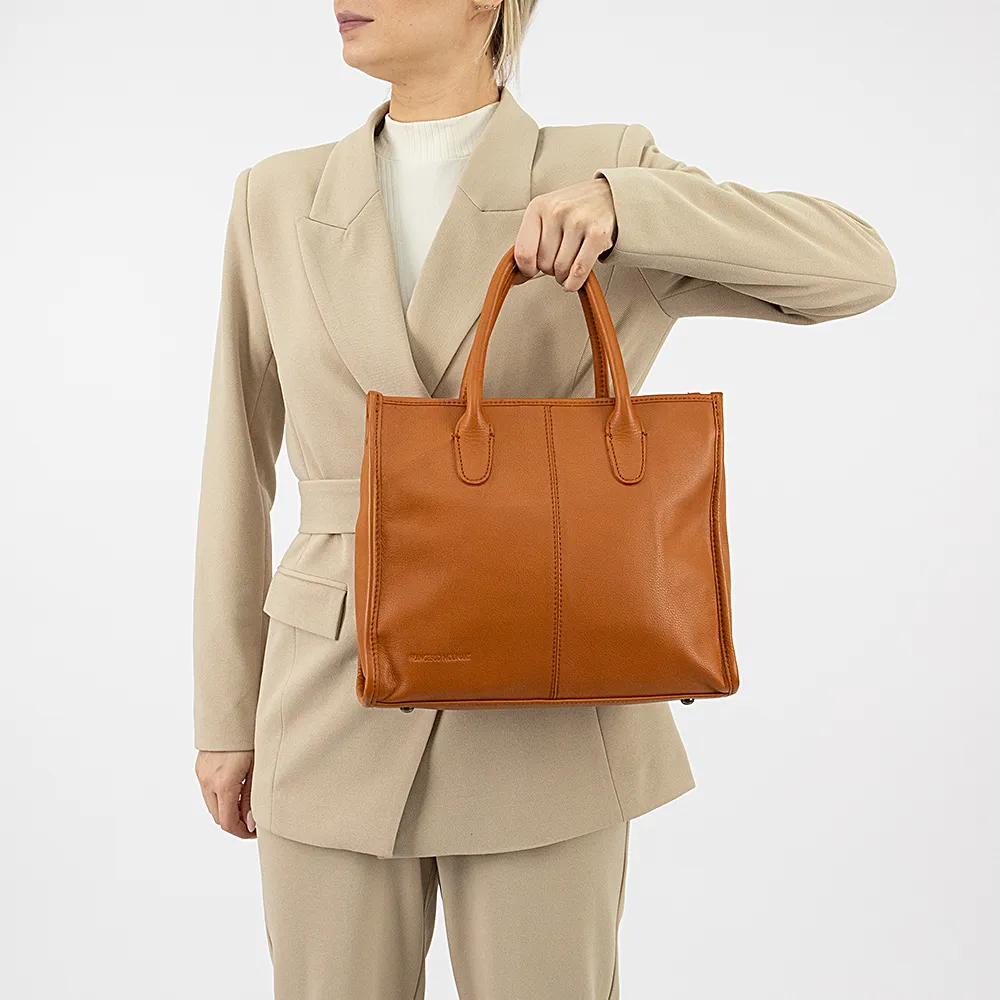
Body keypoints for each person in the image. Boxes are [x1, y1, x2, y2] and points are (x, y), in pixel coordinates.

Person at [192, 2, 896, 996]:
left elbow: (858, 269)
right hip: (327, 687)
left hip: (548, 696)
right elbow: (236, 458)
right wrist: (225, 714)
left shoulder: (601, 165)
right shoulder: (275, 195)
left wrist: (629, 208)